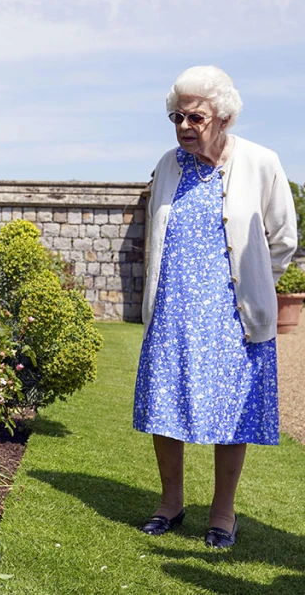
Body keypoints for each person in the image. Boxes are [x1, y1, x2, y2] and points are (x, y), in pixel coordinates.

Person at [133, 66, 298, 549]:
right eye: (176, 116)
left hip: (233, 315)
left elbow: (283, 239)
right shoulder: (167, 165)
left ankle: (222, 514)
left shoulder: (261, 162)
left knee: (233, 413)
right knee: (165, 406)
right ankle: (170, 503)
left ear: (222, 116)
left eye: (195, 117)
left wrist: (256, 288)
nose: (184, 126)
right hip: (173, 311)